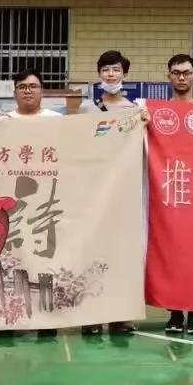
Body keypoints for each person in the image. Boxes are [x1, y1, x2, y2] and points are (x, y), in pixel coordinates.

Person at [78, 51, 140, 337]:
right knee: (92, 251)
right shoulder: (86, 108)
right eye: (105, 70)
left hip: (124, 191)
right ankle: (92, 314)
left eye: (115, 70)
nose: (111, 75)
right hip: (93, 191)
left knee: (121, 254)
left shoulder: (135, 110)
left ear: (124, 74)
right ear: (99, 74)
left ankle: (120, 315)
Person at [2, 68, 62, 339]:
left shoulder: (57, 121)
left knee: (45, 258)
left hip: (46, 200)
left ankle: (47, 318)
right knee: (14, 258)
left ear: (42, 90)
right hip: (14, 202)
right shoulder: (2, 122)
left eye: (33, 86)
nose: (28, 90)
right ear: (15, 91)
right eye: (22, 86)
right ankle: (12, 315)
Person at [164, 53, 193, 336]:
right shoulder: (157, 113)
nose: (181, 77)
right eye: (176, 72)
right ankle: (175, 312)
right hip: (167, 195)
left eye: (186, 72)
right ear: (169, 76)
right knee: (171, 255)